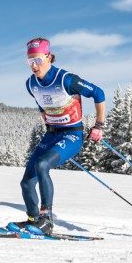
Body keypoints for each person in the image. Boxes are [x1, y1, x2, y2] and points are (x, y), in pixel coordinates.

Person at [8, 37, 106, 235]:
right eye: (30, 62)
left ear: (49, 57)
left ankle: (47, 221)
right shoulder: (31, 84)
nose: (34, 66)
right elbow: (41, 102)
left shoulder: (67, 79)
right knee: (27, 182)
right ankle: (33, 219)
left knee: (42, 165)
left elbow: (99, 93)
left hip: (71, 135)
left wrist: (99, 125)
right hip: (51, 135)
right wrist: (47, 118)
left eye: (38, 60)